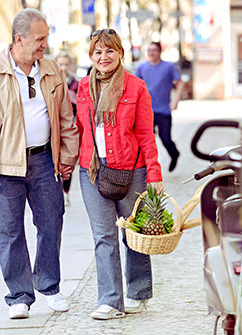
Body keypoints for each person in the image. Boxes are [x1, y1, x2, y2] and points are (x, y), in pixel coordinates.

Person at [0, 8, 79, 320]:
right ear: (20, 39)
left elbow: (65, 117)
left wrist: (68, 156)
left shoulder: (51, 69)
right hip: (5, 166)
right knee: (9, 231)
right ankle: (18, 295)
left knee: (51, 222)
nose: (45, 44)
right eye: (40, 39)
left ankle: (49, 286)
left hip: (45, 160)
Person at [76, 28, 163, 320]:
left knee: (133, 233)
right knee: (104, 236)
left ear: (120, 54)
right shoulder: (82, 88)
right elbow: (79, 129)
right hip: (92, 169)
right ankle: (111, 302)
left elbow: (146, 135)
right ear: (91, 56)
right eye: (98, 52)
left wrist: (154, 174)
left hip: (131, 168)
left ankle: (138, 291)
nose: (103, 57)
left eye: (109, 51)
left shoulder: (136, 87)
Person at [135, 42, 185, 172]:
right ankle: (147, 169)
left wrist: (175, 101)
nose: (151, 53)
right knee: (146, 142)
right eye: (149, 50)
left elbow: (180, 83)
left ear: (159, 52)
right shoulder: (141, 68)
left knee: (166, 139)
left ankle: (174, 154)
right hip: (146, 112)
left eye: (154, 50)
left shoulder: (169, 67)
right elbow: (135, 88)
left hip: (163, 111)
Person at [55, 51, 79, 206]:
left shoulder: (75, 83)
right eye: (60, 64)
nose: (63, 68)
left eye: (65, 64)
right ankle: (57, 190)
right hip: (54, 126)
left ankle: (65, 191)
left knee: (68, 158)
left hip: (71, 125)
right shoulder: (51, 80)